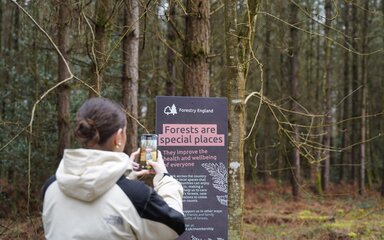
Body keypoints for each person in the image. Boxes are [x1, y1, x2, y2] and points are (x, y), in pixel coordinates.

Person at [42, 97, 185, 240]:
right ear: (118, 137)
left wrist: (125, 176)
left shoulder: (51, 187)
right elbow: (174, 225)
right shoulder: (137, 197)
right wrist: (165, 179)